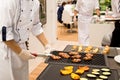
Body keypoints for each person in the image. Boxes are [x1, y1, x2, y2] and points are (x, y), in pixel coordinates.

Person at [0, 0, 52, 80]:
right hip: (7, 49)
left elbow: (36, 25)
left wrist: (47, 45)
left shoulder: (35, 2)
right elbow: (5, 34)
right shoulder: (9, 2)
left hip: (22, 47)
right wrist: (20, 52)